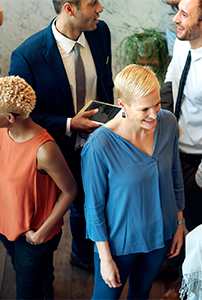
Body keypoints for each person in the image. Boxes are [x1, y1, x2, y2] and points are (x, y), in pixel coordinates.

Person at [9, 0, 114, 273]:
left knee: (89, 202)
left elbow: (106, 84)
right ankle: (44, 280)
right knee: (51, 221)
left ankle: (81, 254)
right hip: (53, 151)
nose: (100, 9)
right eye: (93, 4)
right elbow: (21, 117)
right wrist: (68, 123)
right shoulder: (27, 56)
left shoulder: (101, 33)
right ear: (69, 8)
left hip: (97, 143)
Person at [81, 64, 185, 300]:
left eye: (157, 104)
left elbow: (175, 175)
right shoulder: (99, 146)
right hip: (120, 243)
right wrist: (105, 258)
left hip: (162, 235)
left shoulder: (167, 122)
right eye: (144, 109)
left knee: (141, 293)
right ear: (122, 106)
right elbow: (93, 208)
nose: (153, 114)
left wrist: (179, 223)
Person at [0, 75, 77, 299]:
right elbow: (4, 166)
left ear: (10, 117)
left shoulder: (45, 150)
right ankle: (46, 285)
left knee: (26, 291)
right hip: (5, 223)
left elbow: (70, 191)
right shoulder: (2, 130)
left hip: (32, 235)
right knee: (30, 272)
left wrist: (40, 234)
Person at [160, 0, 202, 297]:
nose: (176, 19)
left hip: (199, 160)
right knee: (172, 213)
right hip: (173, 148)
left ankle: (186, 280)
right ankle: (174, 261)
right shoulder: (182, 41)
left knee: (194, 221)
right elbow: (171, 80)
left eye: (184, 14)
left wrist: (197, 178)